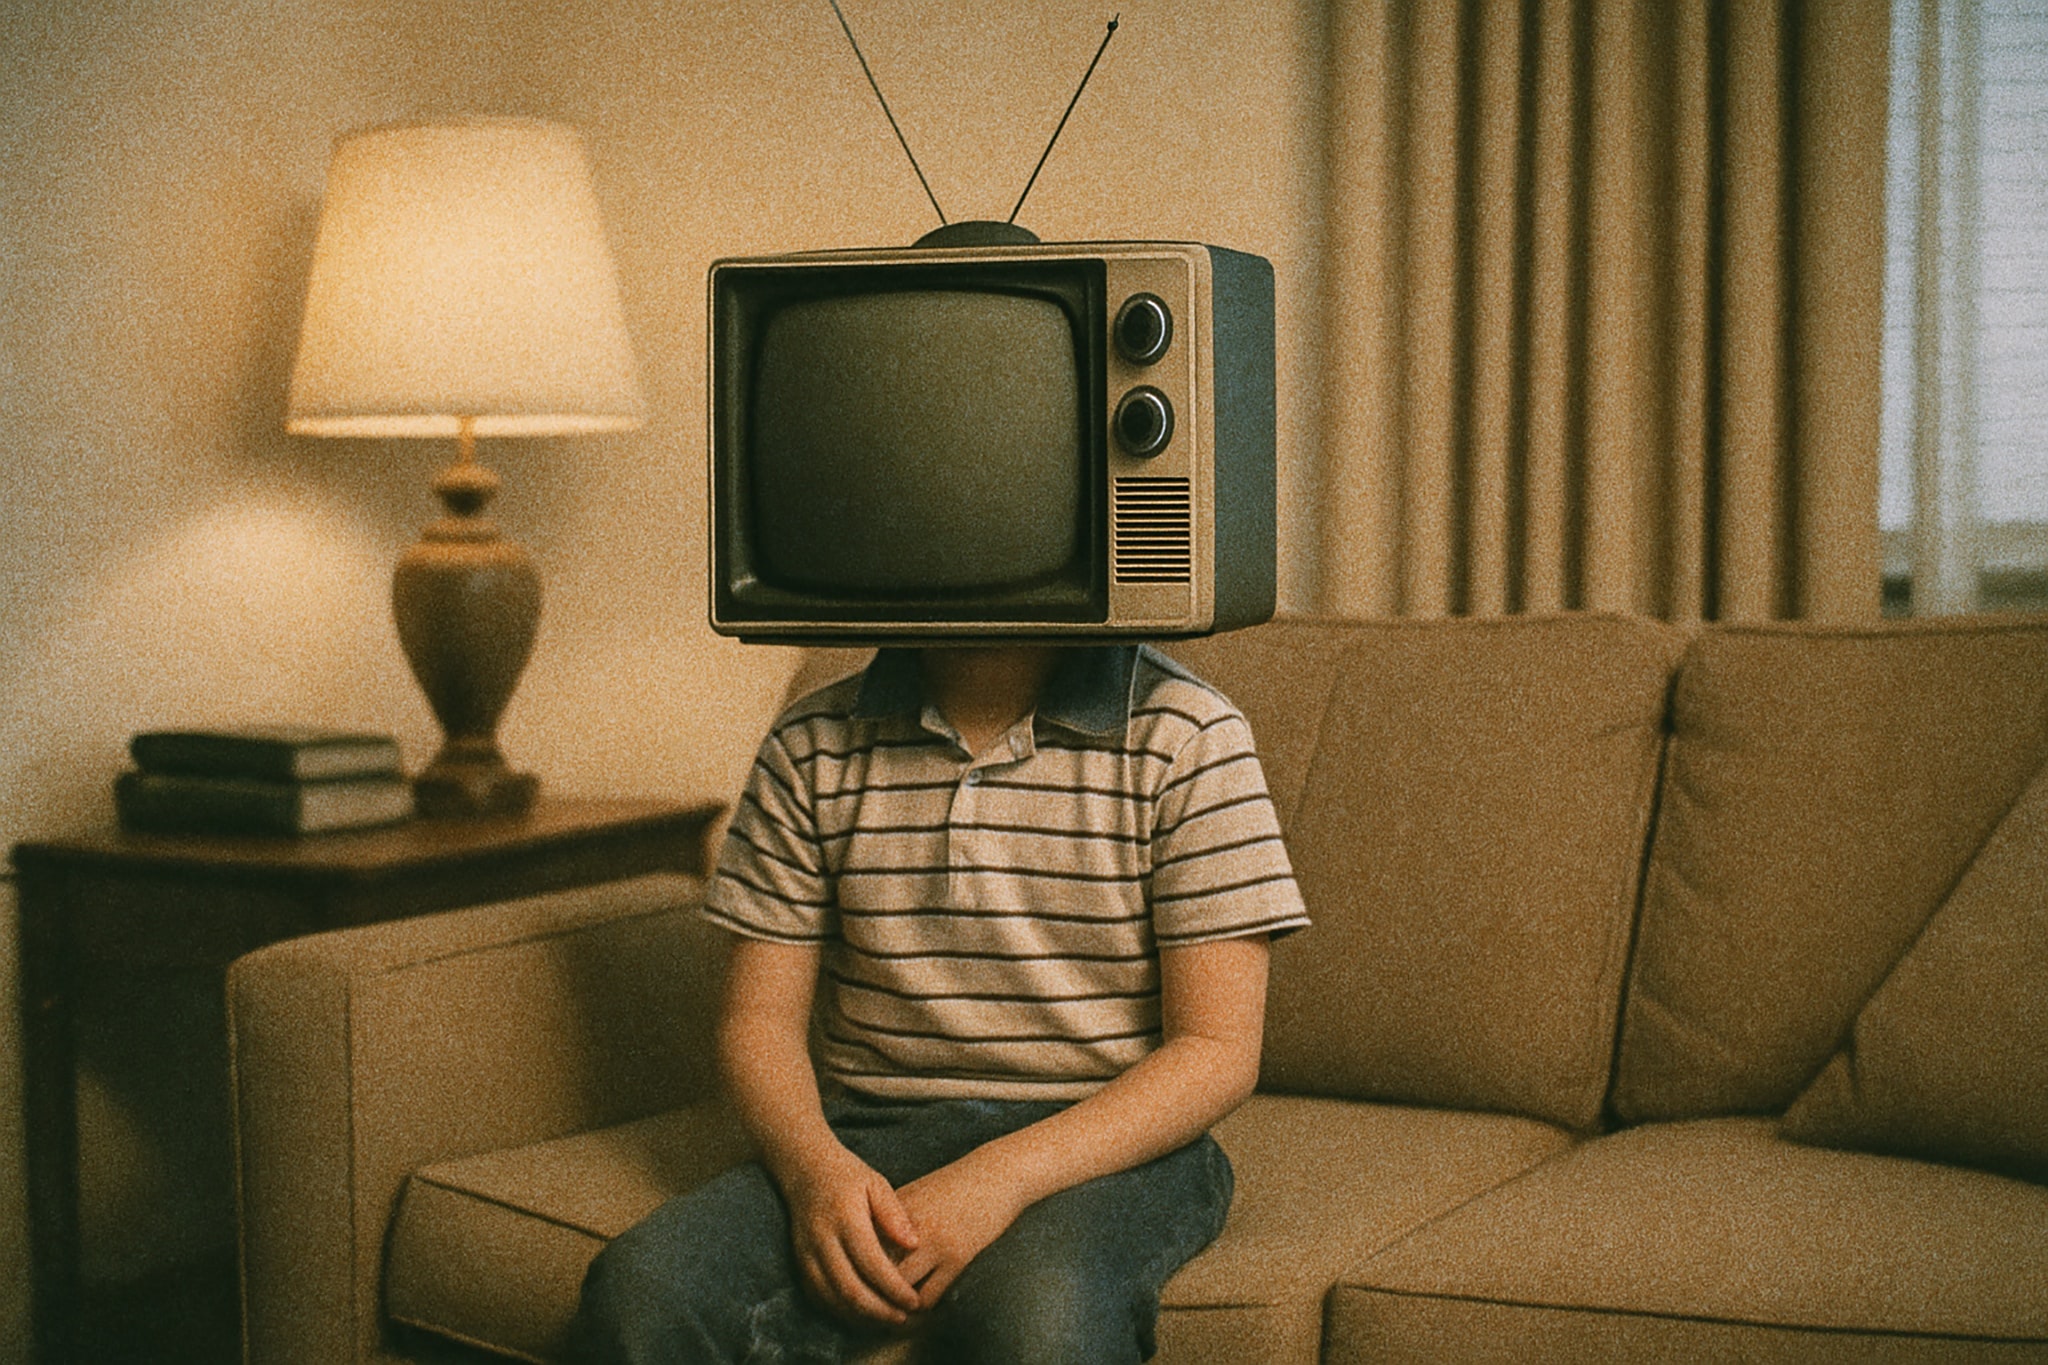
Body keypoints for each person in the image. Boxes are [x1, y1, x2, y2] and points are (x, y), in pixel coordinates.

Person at [571, 642, 1307, 1364]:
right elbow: (758, 1022)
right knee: (641, 1286)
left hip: (1110, 1146)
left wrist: (998, 1178)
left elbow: (1216, 1051)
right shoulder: (811, 743)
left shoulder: (1189, 735)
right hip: (866, 1127)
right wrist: (814, 1173)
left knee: (1037, 1320)